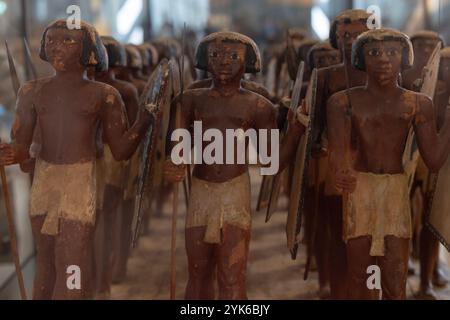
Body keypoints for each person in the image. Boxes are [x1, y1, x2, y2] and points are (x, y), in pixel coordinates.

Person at [327, 28, 450, 300]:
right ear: (362, 58)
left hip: (395, 191)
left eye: (392, 52)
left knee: (395, 277)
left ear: (404, 58)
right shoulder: (342, 102)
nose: (384, 59)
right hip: (361, 189)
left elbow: (433, 159)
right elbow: (337, 155)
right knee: (359, 275)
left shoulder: (418, 103)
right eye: (374, 53)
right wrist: (340, 171)